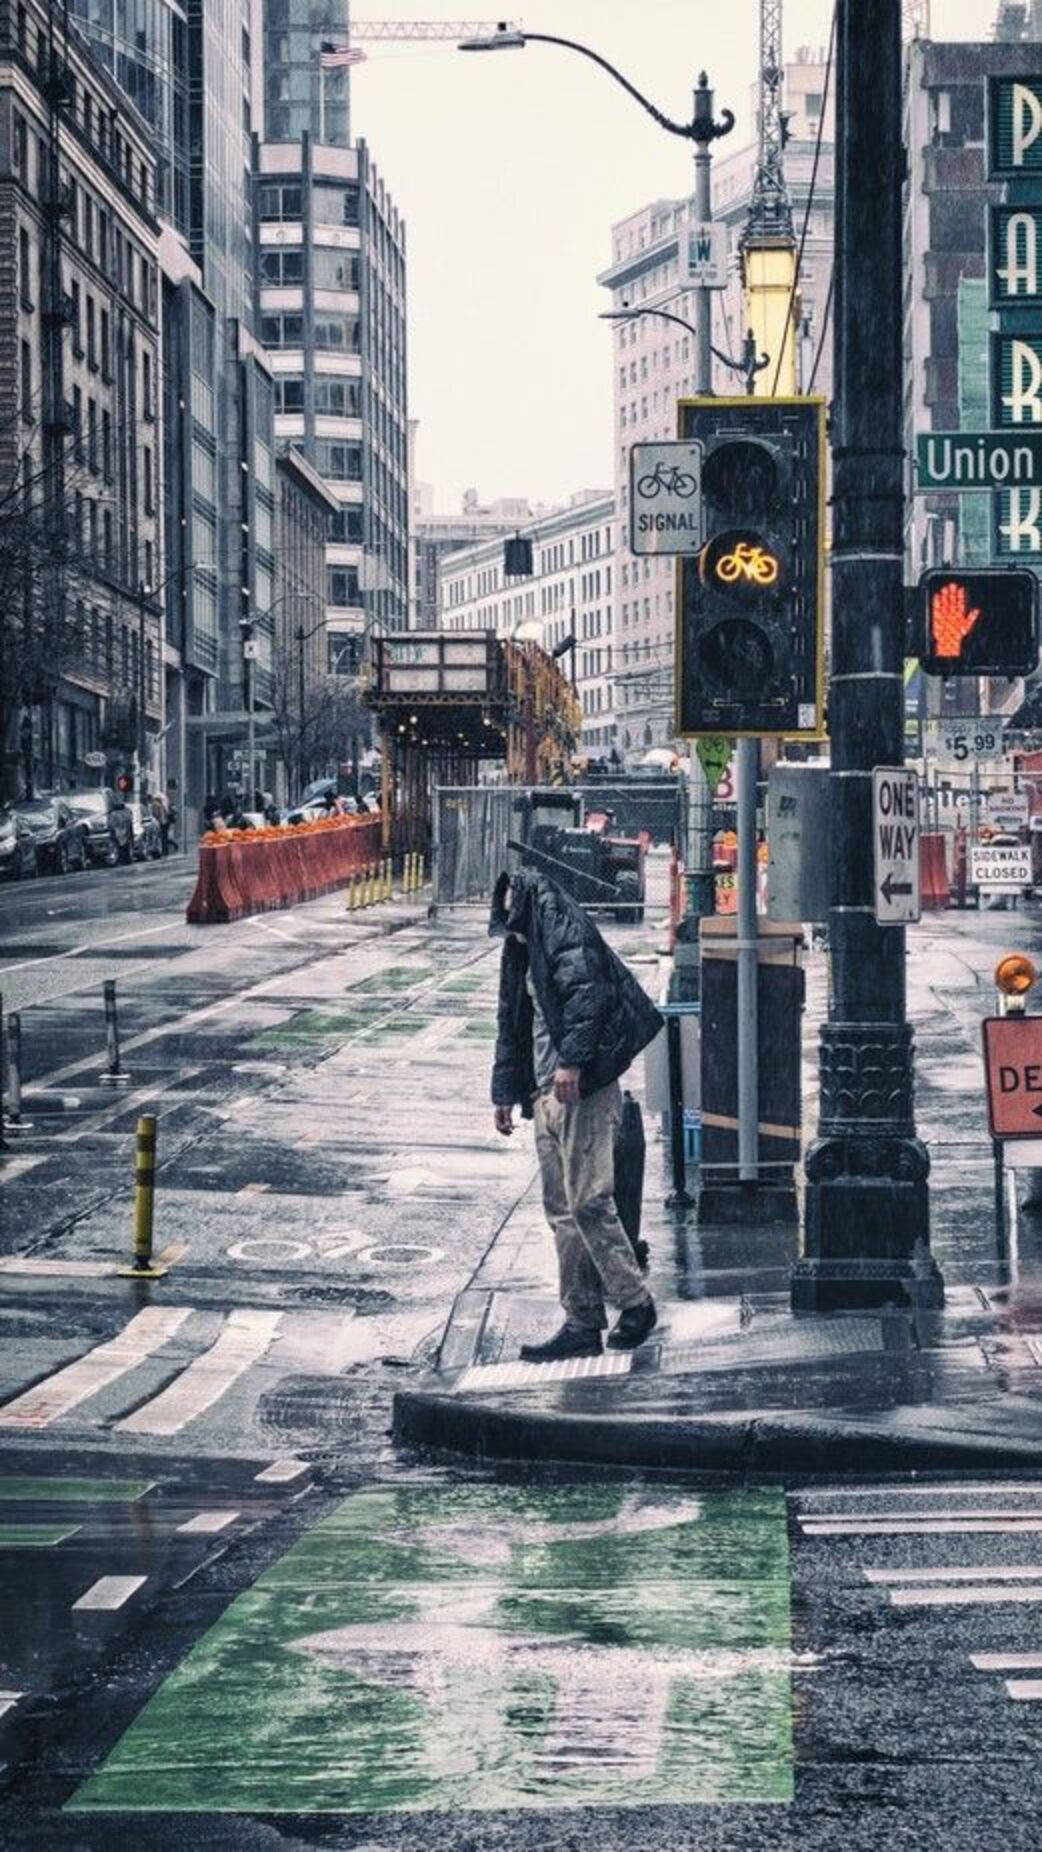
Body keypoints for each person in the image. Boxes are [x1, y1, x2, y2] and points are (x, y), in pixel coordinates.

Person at [490, 868, 664, 1360]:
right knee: (562, 1212)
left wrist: (573, 1062)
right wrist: (504, 1093)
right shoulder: (522, 943)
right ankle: (581, 1322)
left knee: (588, 1202)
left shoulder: (559, 926)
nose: (507, 923)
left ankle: (635, 1302)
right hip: (545, 1091)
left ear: (524, 902)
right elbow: (512, 1023)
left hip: (580, 1088)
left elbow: (590, 995)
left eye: (509, 913)